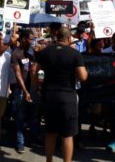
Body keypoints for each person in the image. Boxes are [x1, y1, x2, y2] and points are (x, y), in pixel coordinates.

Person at [34, 26, 88, 162]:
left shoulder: (45, 52)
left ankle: (49, 161)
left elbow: (34, 70)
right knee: (67, 134)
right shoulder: (75, 54)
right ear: (69, 38)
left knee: (51, 132)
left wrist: (39, 86)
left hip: (49, 95)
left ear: (57, 37)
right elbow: (83, 77)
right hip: (67, 96)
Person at [11, 29, 40, 153]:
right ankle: (20, 142)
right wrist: (25, 91)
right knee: (20, 117)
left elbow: (36, 68)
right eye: (31, 39)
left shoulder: (31, 52)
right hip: (21, 91)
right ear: (23, 39)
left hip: (31, 89)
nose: (33, 41)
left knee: (33, 116)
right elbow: (18, 75)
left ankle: (34, 138)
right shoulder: (15, 54)